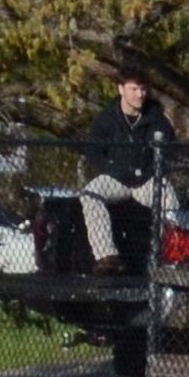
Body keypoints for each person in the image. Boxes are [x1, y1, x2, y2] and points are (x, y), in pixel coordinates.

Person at [74, 73, 172, 271]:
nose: (140, 94)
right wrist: (111, 168)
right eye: (134, 89)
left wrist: (152, 171)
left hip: (147, 180)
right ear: (121, 89)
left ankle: (172, 258)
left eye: (143, 89)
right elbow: (93, 151)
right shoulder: (107, 118)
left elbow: (170, 150)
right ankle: (107, 256)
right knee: (90, 194)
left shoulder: (157, 118)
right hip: (116, 179)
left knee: (170, 201)